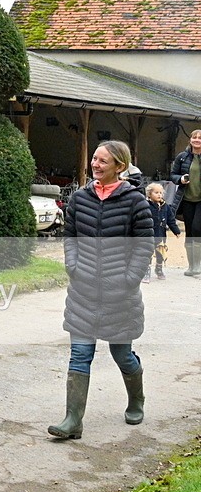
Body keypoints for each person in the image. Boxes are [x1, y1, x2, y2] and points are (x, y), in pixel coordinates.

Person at [48, 140, 153, 440]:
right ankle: (73, 420)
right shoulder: (80, 199)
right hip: (83, 293)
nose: (95, 164)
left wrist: (128, 279)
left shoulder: (135, 202)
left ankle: (136, 399)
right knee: (80, 354)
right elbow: (70, 237)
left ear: (119, 166)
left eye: (102, 161)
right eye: (94, 158)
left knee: (123, 355)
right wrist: (73, 266)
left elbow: (144, 245)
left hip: (120, 296)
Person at [170, 129, 201, 277]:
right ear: (190, 140)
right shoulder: (182, 157)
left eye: (200, 138)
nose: (197, 140)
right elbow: (173, 175)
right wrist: (180, 179)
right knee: (189, 232)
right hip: (187, 199)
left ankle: (198, 265)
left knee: (197, 228)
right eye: (194, 137)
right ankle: (191, 266)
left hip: (200, 200)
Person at [142, 182, 181, 283]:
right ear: (149, 194)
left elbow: (171, 220)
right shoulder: (146, 206)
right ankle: (146, 271)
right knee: (148, 253)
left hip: (161, 235)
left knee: (160, 253)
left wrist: (176, 230)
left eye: (160, 192)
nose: (159, 194)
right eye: (156, 192)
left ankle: (158, 269)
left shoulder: (166, 207)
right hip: (149, 235)